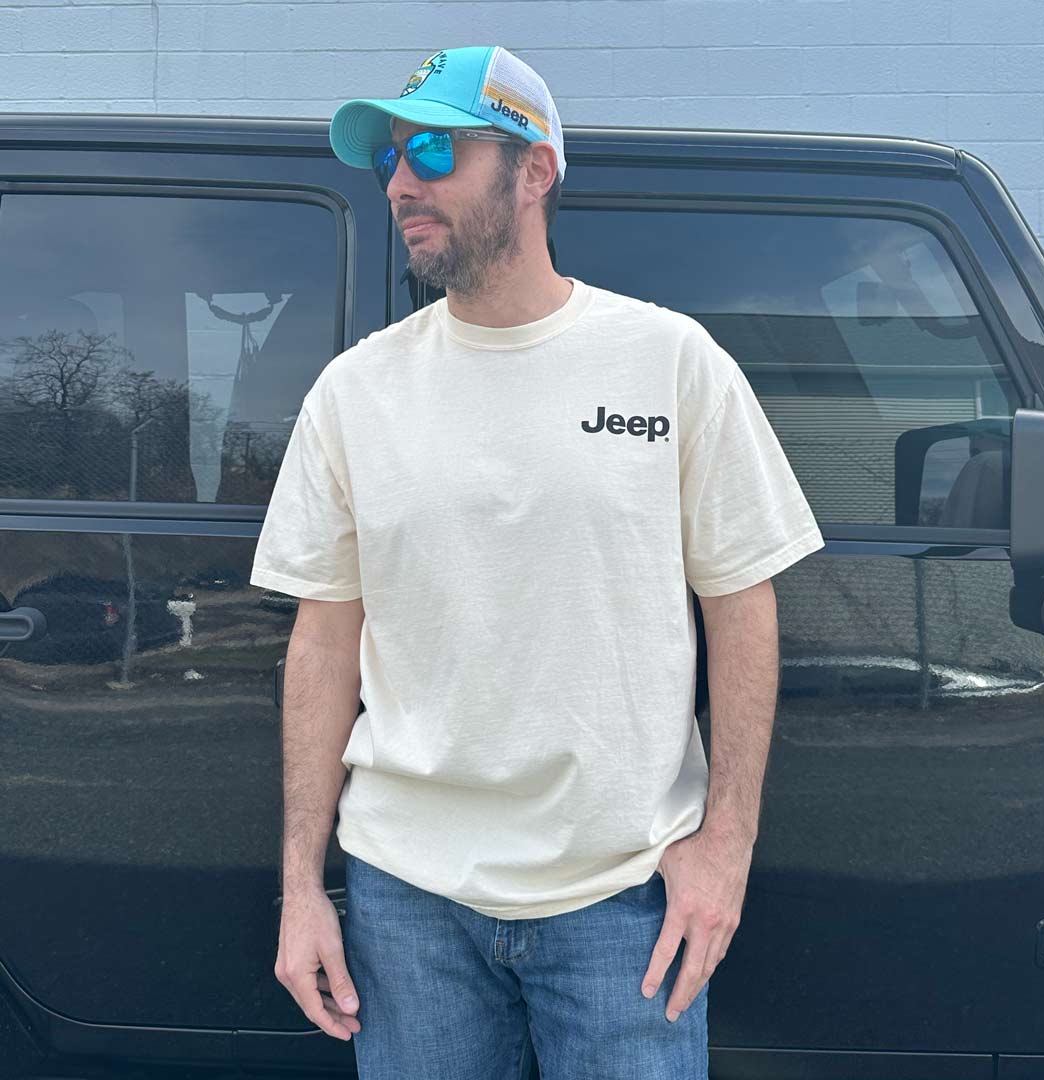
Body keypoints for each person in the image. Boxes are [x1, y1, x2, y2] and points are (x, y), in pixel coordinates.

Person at [250, 44, 825, 1080]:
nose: (399, 183)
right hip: (405, 902)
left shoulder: (671, 361)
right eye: (390, 157)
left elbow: (742, 600)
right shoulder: (354, 394)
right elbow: (325, 637)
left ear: (535, 170)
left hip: (625, 901)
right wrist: (302, 888)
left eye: (433, 150)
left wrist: (727, 847)